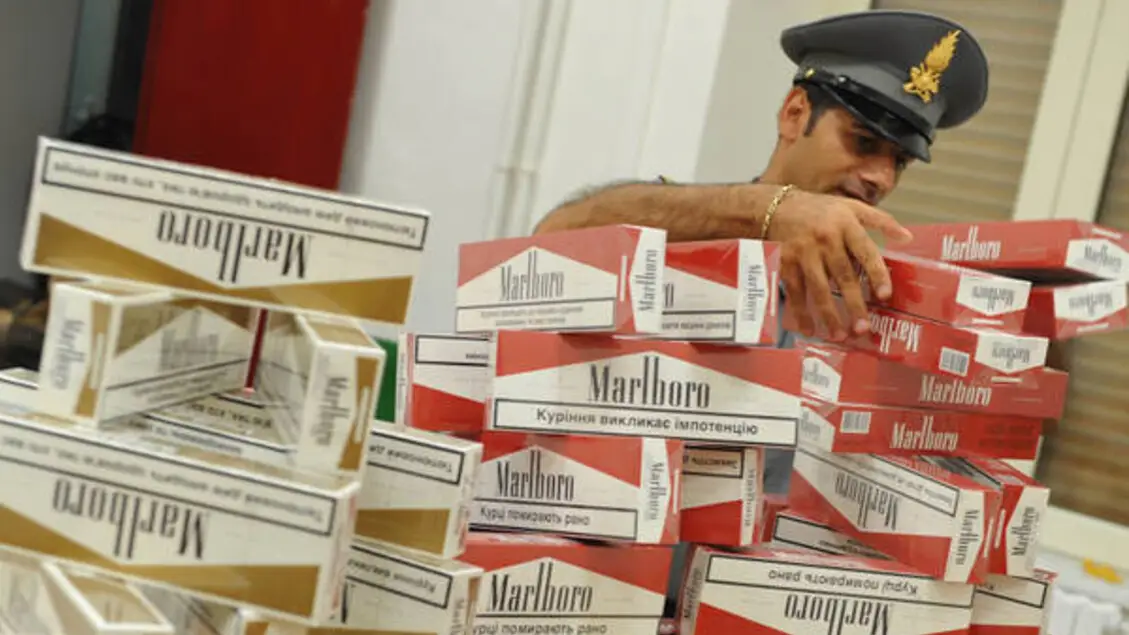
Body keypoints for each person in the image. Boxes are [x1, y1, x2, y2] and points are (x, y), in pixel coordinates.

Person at [532, 9, 990, 497]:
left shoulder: (874, 311)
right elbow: (550, 240)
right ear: (794, 114)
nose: (881, 177)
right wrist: (768, 212)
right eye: (862, 142)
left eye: (899, 162)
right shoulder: (682, 226)